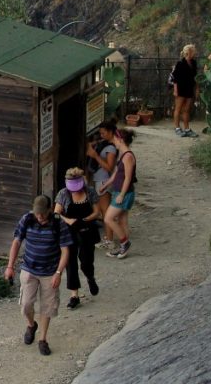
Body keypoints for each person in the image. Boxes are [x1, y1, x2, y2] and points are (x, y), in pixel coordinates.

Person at [4, 195, 72, 356]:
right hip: (29, 269)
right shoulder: (27, 219)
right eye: (37, 213)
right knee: (26, 304)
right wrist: (10, 266)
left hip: (50, 271)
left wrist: (58, 273)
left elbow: (65, 251)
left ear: (49, 209)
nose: (40, 216)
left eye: (42, 213)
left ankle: (43, 339)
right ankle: (31, 324)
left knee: (47, 307)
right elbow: (16, 242)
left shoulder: (58, 223)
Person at [54, 167, 101, 307]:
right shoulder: (63, 194)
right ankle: (74, 295)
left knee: (86, 260)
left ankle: (90, 277)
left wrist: (85, 220)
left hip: (86, 229)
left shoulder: (90, 191)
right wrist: (68, 220)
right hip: (69, 231)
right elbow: (56, 213)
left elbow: (97, 212)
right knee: (70, 262)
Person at [100, 127, 137, 258]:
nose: (114, 141)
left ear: (120, 139)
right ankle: (123, 248)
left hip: (124, 193)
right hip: (119, 191)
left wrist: (121, 194)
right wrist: (106, 184)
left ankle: (124, 243)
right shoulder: (123, 154)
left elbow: (127, 177)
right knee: (123, 221)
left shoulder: (128, 156)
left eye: (115, 138)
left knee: (108, 218)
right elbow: (116, 173)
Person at [86, 119, 119, 247]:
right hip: (99, 179)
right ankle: (107, 238)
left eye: (104, 133)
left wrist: (95, 156)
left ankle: (109, 240)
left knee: (106, 212)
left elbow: (109, 167)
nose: (102, 135)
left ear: (110, 132)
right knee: (103, 210)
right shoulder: (105, 143)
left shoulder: (110, 148)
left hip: (104, 180)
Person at [172, 44, 200, 137]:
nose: (195, 52)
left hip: (189, 88)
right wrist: (175, 91)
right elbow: (175, 78)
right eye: (193, 50)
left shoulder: (194, 62)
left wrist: (197, 88)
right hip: (180, 89)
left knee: (187, 110)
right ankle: (177, 128)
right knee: (178, 109)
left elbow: (195, 77)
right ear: (189, 52)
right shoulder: (180, 63)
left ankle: (187, 129)